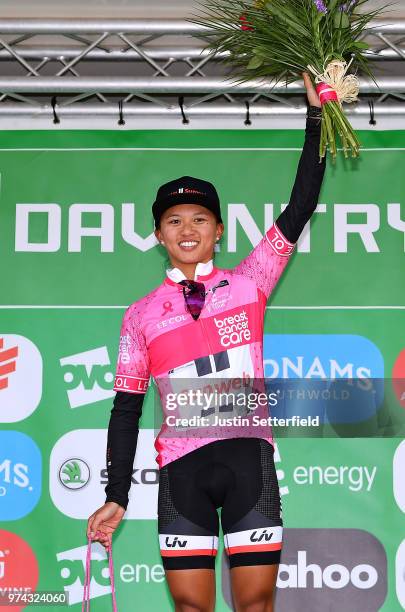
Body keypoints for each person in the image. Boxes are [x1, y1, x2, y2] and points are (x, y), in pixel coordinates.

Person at [87, 72, 326, 612]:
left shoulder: (250, 283)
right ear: (158, 235)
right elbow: (126, 411)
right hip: (180, 474)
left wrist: (316, 117)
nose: (187, 228)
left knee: (256, 606)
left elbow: (301, 205)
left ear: (218, 230)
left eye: (200, 218)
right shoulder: (140, 315)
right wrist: (116, 496)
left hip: (249, 465)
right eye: (173, 220)